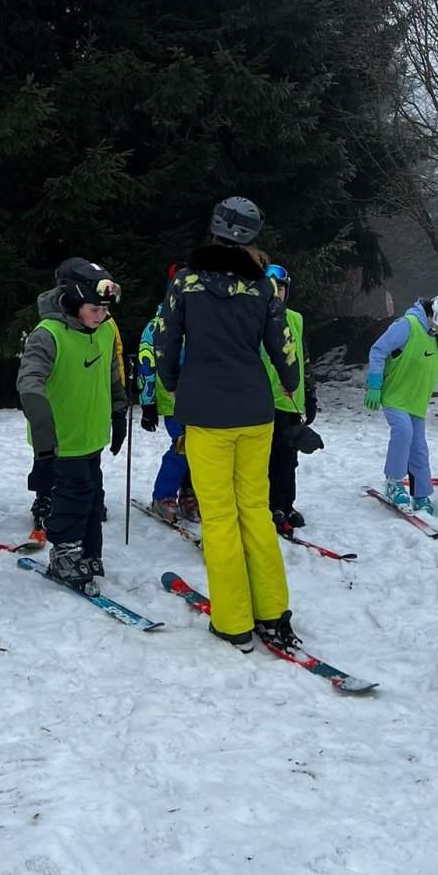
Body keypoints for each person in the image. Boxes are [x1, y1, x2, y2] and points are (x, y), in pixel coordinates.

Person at [154, 196, 300, 652]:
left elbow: (165, 339)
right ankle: (273, 613)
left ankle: (233, 621)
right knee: (254, 510)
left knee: (219, 516)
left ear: (214, 229)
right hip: (254, 410)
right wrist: (291, 383)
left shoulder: (185, 283)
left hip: (205, 412)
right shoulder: (263, 288)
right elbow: (284, 346)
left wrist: (171, 382)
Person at [17, 258, 126, 593]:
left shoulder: (105, 329)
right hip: (61, 439)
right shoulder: (48, 335)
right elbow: (29, 383)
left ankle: (89, 553)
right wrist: (44, 436)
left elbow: (112, 373)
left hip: (92, 434)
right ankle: (64, 554)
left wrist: (118, 413)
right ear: (74, 301)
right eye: (94, 309)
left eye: (105, 309)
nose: (101, 315)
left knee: (93, 497)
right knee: (74, 495)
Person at [364, 292, 438, 510]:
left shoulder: (432, 335)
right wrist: (374, 385)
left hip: (416, 403)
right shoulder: (407, 325)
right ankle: (393, 483)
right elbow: (378, 350)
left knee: (419, 447)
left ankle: (421, 494)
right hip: (395, 397)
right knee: (403, 432)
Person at [262, 264, 322, 531]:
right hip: (264, 398)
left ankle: (287, 504)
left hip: (291, 400)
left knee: (290, 455)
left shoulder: (295, 318)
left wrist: (309, 393)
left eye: (282, 288)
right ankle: (272, 504)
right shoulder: (255, 317)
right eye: (272, 288)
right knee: (275, 455)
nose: (278, 293)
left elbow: (303, 358)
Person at [138, 268, 193, 524]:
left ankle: (190, 491)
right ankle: (163, 495)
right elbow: (145, 364)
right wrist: (147, 403)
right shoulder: (157, 324)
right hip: (172, 401)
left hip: (201, 400)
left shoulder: (202, 322)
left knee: (202, 448)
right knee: (183, 446)